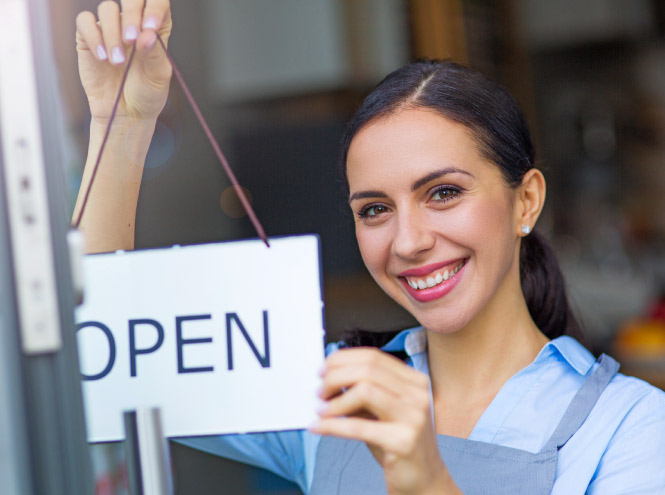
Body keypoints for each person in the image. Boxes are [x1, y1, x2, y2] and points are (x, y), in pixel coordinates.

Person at [74, 2, 665, 494]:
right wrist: (119, 123)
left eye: (443, 192)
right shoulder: (331, 392)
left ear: (526, 202)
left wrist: (430, 481)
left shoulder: (631, 427)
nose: (407, 241)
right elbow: (104, 351)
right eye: (375, 210)